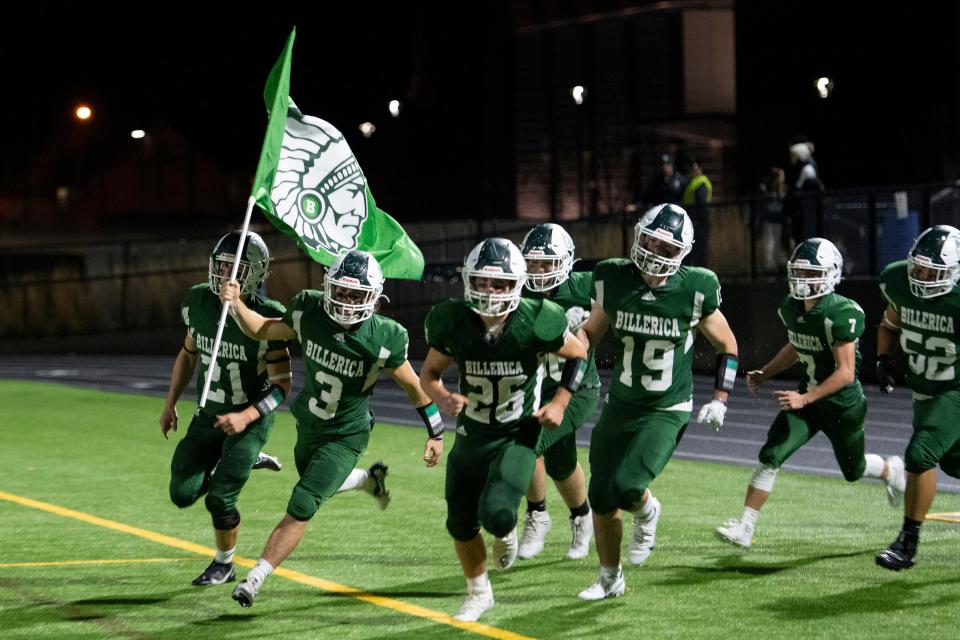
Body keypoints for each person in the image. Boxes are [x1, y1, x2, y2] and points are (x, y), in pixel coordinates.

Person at [221, 249, 445, 606]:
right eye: (341, 291)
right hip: (309, 425)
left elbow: (414, 388)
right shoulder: (309, 310)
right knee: (315, 484)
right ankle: (368, 481)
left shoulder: (383, 337)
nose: (347, 300)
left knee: (303, 501)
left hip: (347, 434)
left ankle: (255, 578)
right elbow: (265, 329)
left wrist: (435, 432)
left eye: (356, 295)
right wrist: (237, 305)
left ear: (374, 297)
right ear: (327, 287)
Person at [420, 237, 588, 622]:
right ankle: (479, 593)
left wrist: (560, 402)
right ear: (469, 282)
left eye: (500, 284)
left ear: (517, 285)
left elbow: (577, 353)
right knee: (460, 522)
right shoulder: (455, 321)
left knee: (497, 513)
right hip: (472, 432)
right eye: (482, 283)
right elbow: (428, 373)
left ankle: (507, 530)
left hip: (519, 433)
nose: (490, 292)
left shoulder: (536, 318)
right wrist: (442, 396)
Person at [577, 203, 739, 600]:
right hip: (621, 403)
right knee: (599, 495)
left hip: (666, 408)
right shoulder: (613, 278)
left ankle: (648, 512)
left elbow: (728, 346)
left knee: (629, 486)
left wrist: (721, 397)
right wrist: (572, 348)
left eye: (668, 248)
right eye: (651, 241)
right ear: (638, 235)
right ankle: (610, 579)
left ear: (683, 253)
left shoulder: (694, 287)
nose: (656, 252)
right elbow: (590, 335)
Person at [715, 238, 905, 549]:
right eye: (799, 273)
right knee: (771, 454)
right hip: (806, 400)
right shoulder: (791, 308)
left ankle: (890, 470)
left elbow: (845, 374)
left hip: (841, 405)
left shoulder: (842, 313)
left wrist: (805, 398)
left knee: (853, 470)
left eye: (811, 274)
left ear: (830, 275)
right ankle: (745, 528)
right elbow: (796, 344)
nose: (803, 281)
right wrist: (766, 372)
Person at [161, 230, 293, 588]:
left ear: (257, 273)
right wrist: (170, 402)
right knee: (181, 493)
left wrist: (248, 415)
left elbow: (283, 386)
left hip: (250, 421)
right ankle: (241, 460)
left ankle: (224, 564)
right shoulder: (198, 303)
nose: (225, 273)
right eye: (220, 264)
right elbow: (188, 354)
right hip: (208, 416)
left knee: (220, 497)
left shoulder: (271, 316)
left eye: (236, 267)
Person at [875, 225, 960, 571]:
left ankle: (907, 543)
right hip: (924, 391)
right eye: (918, 267)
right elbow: (890, 323)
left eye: (932, 271)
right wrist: (883, 358)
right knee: (954, 464)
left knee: (920, 453)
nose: (922, 276)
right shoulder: (898, 281)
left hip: (955, 388)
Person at [516, 223, 600, 561]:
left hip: (578, 387)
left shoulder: (585, 288)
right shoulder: (517, 292)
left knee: (528, 443)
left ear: (565, 262)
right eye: (533, 263)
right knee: (561, 464)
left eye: (546, 263)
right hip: (536, 388)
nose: (538, 271)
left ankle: (537, 514)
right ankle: (582, 517)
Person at [756, 167, 789, 272]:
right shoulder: (765, 188)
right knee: (769, 243)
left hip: (779, 220)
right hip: (769, 220)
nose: (783, 178)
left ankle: (779, 264)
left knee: (779, 243)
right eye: (781, 176)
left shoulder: (783, 189)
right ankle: (769, 266)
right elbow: (763, 204)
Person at [682, 158, 712, 266]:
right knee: (693, 251)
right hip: (693, 220)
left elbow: (701, 202)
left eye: (695, 169)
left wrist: (698, 219)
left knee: (700, 250)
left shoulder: (701, 182)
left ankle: (702, 277)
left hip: (699, 221)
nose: (693, 171)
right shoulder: (693, 182)